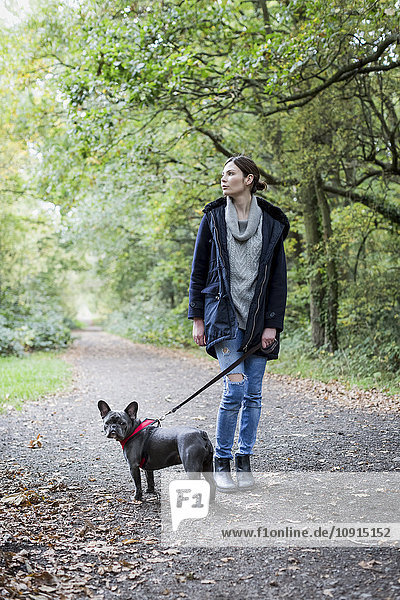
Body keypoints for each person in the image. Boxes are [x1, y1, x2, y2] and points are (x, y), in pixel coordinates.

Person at [188, 155, 289, 493]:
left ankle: (245, 461)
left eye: (230, 173)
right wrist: (198, 318)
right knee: (236, 390)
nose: (223, 178)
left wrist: (272, 325)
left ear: (248, 179)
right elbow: (198, 269)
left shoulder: (272, 223)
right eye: (222, 173)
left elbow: (278, 280)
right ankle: (222, 463)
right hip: (223, 317)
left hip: (259, 320)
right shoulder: (213, 217)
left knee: (255, 394)